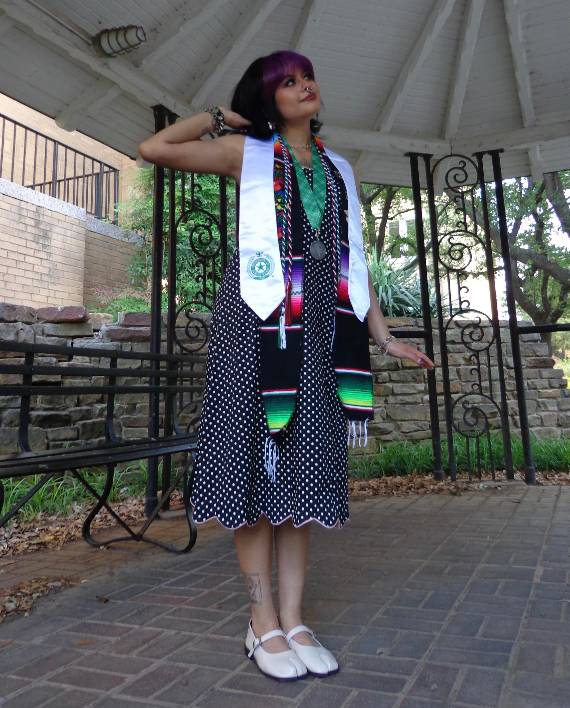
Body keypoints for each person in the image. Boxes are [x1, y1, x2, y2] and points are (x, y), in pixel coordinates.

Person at [138, 50, 435, 683]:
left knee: (302, 480)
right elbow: (153, 147)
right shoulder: (245, 155)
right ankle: (261, 621)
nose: (304, 87)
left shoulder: (339, 169)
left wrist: (384, 338)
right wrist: (222, 116)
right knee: (252, 471)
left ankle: (295, 619)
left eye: (306, 78)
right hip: (257, 331)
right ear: (268, 99)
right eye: (287, 83)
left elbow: (354, 270)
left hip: (324, 338)